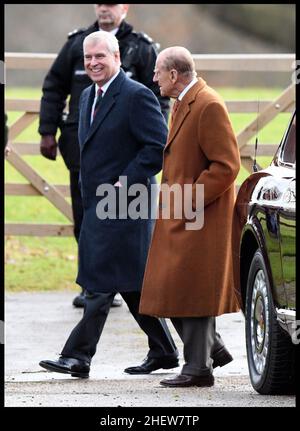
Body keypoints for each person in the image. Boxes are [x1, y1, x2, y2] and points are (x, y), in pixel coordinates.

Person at [39, 31, 178, 378]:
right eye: (88, 58)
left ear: (116, 56)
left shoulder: (135, 96)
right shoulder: (87, 95)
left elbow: (156, 147)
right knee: (130, 283)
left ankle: (77, 356)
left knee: (100, 282)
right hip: (97, 205)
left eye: (100, 56)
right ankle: (166, 351)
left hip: (127, 204)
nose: (93, 63)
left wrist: (125, 182)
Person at [38, 4, 170, 308]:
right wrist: (47, 130)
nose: (104, 9)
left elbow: (158, 99)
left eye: (111, 4)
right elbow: (54, 86)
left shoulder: (141, 47)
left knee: (128, 232)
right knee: (86, 219)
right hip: (83, 154)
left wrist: (144, 153)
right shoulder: (76, 44)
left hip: (127, 162)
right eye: (100, 3)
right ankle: (98, 287)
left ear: (124, 8)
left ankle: (109, 290)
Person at [139, 46, 241, 388]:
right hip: (179, 215)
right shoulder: (183, 101)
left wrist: (189, 199)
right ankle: (212, 349)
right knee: (167, 288)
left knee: (191, 291)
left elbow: (226, 166)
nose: (153, 78)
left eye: (157, 72)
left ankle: (198, 368)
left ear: (173, 74)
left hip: (199, 217)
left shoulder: (208, 104)